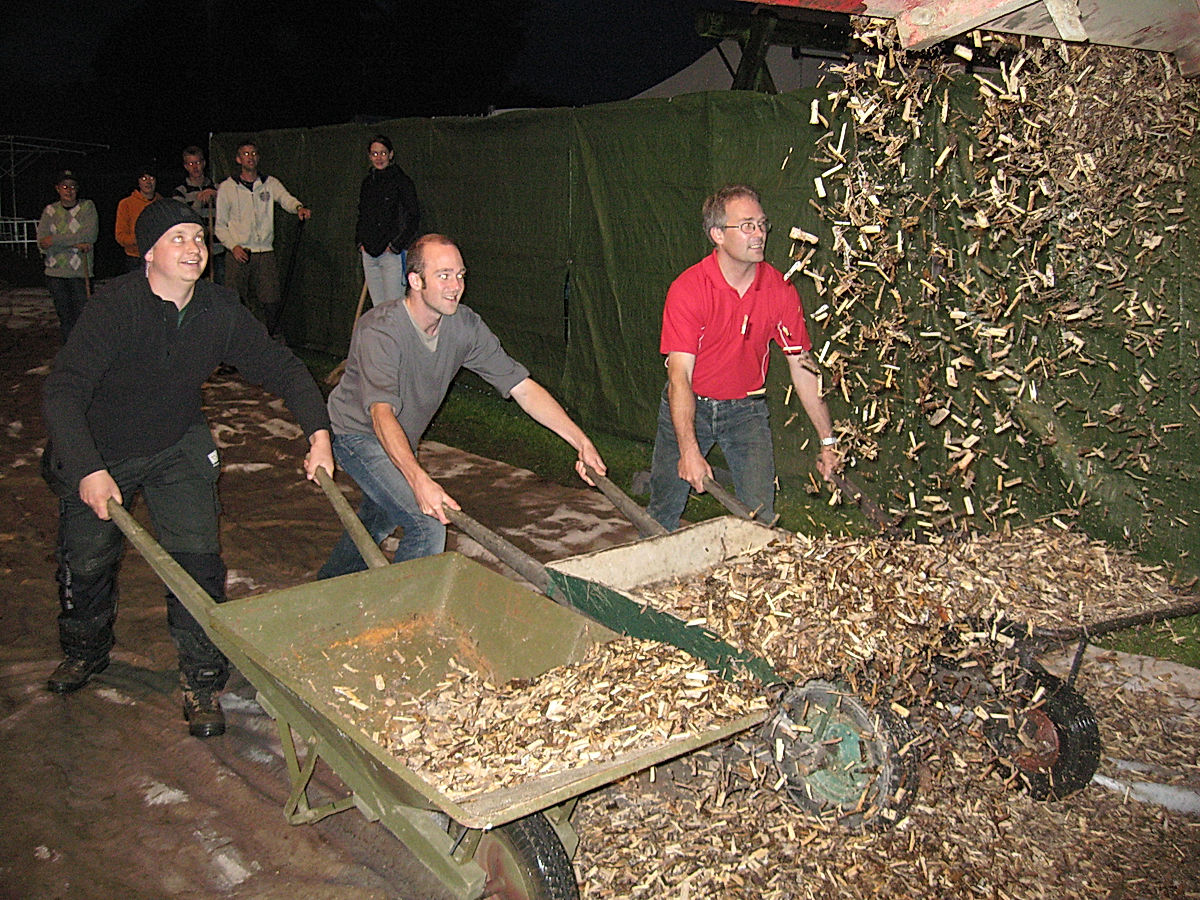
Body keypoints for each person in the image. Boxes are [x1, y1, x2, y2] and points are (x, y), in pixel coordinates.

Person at [41, 200, 334, 739]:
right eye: (177, 238)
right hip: (103, 449)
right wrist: (87, 468)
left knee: (196, 561)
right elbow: (63, 390)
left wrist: (318, 433)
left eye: (198, 238)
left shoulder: (219, 309)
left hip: (177, 443)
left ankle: (201, 678)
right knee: (86, 560)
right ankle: (86, 651)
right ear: (148, 252)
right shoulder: (114, 308)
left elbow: (281, 367)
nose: (193, 248)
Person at [319, 233, 606, 578]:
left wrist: (581, 441)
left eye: (460, 275)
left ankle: (330, 582)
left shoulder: (464, 325)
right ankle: (402, 618)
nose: (456, 286)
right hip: (358, 434)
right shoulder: (380, 330)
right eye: (443, 275)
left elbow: (522, 388)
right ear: (415, 280)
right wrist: (419, 479)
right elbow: (381, 415)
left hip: (400, 438)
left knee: (378, 517)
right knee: (427, 525)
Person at [647, 184, 838, 531]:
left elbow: (803, 366)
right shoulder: (689, 289)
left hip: (746, 412)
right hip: (691, 404)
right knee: (662, 511)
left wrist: (828, 441)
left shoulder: (780, 288)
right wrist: (688, 449)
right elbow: (679, 377)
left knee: (760, 519)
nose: (759, 234)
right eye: (747, 226)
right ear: (717, 234)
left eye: (762, 224)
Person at [215, 140, 312, 337]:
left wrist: (298, 208)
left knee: (271, 301)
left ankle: (275, 344)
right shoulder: (227, 187)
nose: (250, 157)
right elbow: (220, 226)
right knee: (235, 301)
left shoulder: (269, 183)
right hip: (238, 253)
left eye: (253, 153)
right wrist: (233, 247)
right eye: (245, 153)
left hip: (265, 252)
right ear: (238, 158)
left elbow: (285, 198)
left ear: (258, 157)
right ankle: (234, 346)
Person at [356, 134, 420, 306]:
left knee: (395, 306)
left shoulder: (402, 182)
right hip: (369, 254)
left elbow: (413, 216)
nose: (379, 158)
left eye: (383, 153)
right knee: (379, 308)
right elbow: (362, 214)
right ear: (369, 156)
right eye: (375, 154)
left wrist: (395, 246)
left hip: (392, 255)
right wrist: (360, 242)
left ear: (391, 154)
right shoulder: (367, 183)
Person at [36, 170, 98, 341]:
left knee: (83, 317)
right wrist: (75, 244)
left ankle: (85, 353)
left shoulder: (87, 207)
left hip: (80, 272)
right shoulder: (50, 211)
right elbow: (42, 241)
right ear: (57, 189)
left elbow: (89, 236)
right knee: (65, 317)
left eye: (73, 187)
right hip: (55, 273)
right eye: (65, 186)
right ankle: (68, 354)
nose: (69, 190)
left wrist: (54, 240)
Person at [173, 145, 224, 283]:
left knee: (219, 287)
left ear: (204, 163)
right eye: (190, 163)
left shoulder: (217, 187)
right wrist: (199, 200)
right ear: (185, 166)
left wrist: (216, 195)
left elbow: (229, 209)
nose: (195, 167)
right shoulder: (181, 191)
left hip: (217, 249)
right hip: (195, 250)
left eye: (197, 162)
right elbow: (182, 220)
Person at [114, 166, 161, 271]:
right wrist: (140, 240)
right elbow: (120, 236)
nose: (148, 182)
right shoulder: (126, 204)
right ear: (138, 182)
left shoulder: (162, 203)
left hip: (159, 257)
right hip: (135, 258)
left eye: (151, 178)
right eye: (144, 179)